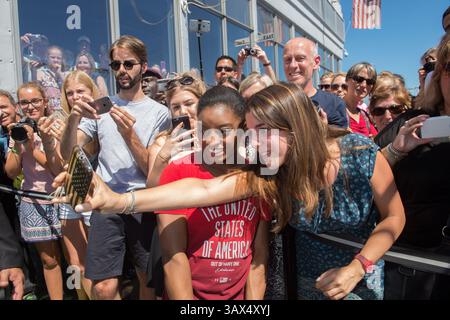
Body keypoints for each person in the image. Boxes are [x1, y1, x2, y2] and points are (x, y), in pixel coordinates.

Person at [53, 82, 405, 300]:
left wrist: (358, 266)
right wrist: (118, 201)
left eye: (262, 130)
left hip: (361, 279)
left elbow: (395, 216)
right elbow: (200, 191)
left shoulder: (360, 153)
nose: (251, 142)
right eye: (249, 132)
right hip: (307, 283)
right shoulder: (271, 172)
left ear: (294, 128)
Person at [59, 35, 170, 300]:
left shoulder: (159, 113)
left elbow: (153, 171)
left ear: (143, 67)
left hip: (142, 202)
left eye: (128, 64)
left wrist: (129, 135)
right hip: (106, 203)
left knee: (148, 282)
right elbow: (69, 152)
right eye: (115, 65)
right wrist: (74, 118)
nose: (121, 70)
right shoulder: (101, 107)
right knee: (102, 288)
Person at [157, 86, 270, 300]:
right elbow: (174, 257)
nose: (211, 140)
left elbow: (259, 254)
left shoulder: (258, 173)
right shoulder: (179, 171)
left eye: (224, 131)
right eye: (203, 130)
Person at [375, 33, 450, 300]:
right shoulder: (410, 123)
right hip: (414, 265)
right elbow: (365, 176)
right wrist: (396, 150)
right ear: (439, 75)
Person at [5, 82, 64, 300]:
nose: (30, 107)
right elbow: (11, 172)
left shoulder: (56, 126)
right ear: (19, 106)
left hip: (61, 198)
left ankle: (80, 294)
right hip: (33, 200)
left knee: (74, 258)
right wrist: (18, 146)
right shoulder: (20, 130)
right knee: (49, 260)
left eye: (35, 101)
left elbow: (57, 167)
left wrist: (32, 147)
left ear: (45, 102)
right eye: (25, 103)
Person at [146, 72, 205, 188]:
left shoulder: (216, 136)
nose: (183, 111)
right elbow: (151, 189)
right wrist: (163, 157)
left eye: (189, 104)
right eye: (176, 107)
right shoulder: (161, 144)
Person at [283, 37, 348, 128]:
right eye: (288, 60)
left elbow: (340, 140)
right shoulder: (274, 102)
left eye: (300, 58)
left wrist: (324, 131)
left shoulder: (334, 104)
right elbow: (263, 139)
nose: (293, 65)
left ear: (316, 62)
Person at [343, 62, 378, 138]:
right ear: (347, 80)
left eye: (369, 82)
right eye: (359, 79)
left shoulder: (365, 116)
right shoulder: (334, 109)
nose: (364, 85)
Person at [36, 45, 67, 113]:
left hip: (63, 111)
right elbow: (37, 89)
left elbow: (69, 87)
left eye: (58, 58)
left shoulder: (65, 74)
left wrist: (59, 73)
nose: (56, 60)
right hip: (48, 111)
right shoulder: (41, 72)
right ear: (47, 58)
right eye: (53, 57)